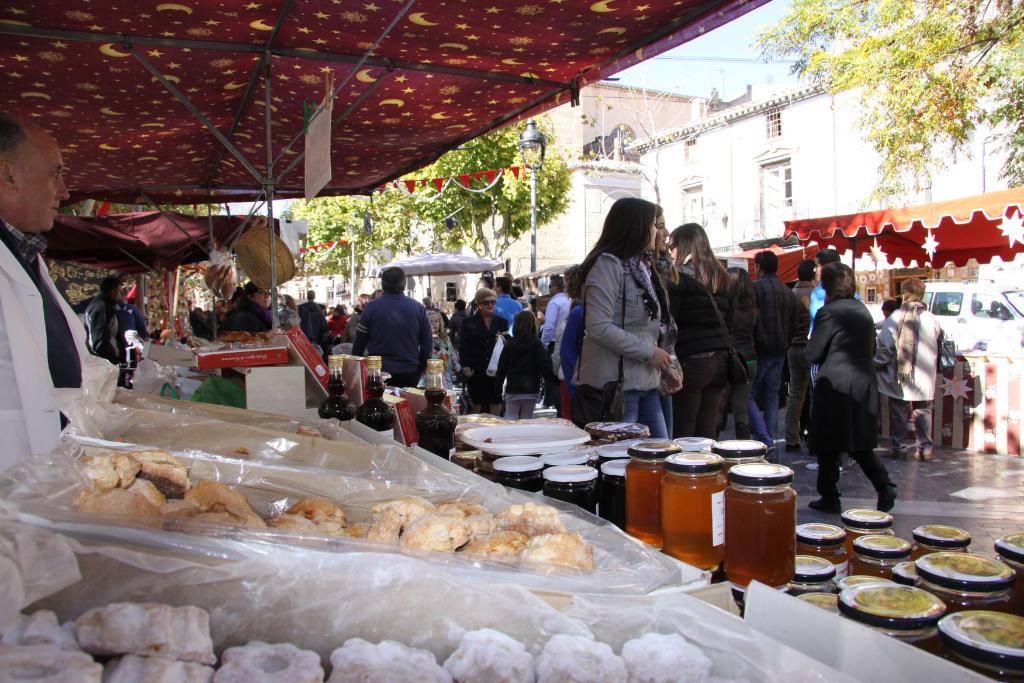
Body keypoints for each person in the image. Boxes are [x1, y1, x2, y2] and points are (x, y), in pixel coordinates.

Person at [0, 111, 86, 469]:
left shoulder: (25, 254)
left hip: (42, 481)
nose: (65, 191)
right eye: (56, 172)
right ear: (7, 175)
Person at [575, 197, 675, 438]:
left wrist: (666, 366)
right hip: (616, 388)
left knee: (659, 455)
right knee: (622, 465)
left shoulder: (641, 268)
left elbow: (649, 328)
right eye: (654, 224)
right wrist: (650, 354)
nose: (658, 231)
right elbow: (598, 326)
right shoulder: (608, 264)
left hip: (645, 383)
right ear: (637, 226)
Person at [807, 263, 897, 513]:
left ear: (826, 285)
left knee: (828, 442)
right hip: (863, 382)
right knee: (858, 443)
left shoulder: (830, 312)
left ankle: (830, 495)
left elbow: (814, 352)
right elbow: (871, 349)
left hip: (836, 384)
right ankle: (883, 485)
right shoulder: (862, 310)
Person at [667, 223, 733, 439]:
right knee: (707, 433)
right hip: (720, 360)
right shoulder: (722, 276)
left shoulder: (678, 277)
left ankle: (686, 472)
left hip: (691, 360)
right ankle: (708, 471)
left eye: (672, 246)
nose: (670, 251)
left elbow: (670, 320)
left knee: (683, 434)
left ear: (682, 246)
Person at [875, 278, 943, 461]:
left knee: (899, 409)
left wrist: (876, 364)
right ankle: (925, 448)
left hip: (900, 373)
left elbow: (886, 346)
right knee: (924, 409)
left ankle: (900, 447)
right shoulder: (931, 319)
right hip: (925, 373)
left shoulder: (895, 317)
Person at [747, 250, 796, 452]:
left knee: (748, 395)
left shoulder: (755, 289)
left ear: (759, 267)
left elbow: (751, 321)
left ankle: (764, 438)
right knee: (772, 397)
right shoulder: (787, 292)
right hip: (780, 350)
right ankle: (768, 438)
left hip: (761, 350)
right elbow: (793, 323)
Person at [352, 267, 432, 388]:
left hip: (378, 373)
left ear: (382, 284)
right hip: (409, 371)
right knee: (407, 406)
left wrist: (356, 369)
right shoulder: (418, 308)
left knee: (379, 406)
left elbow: (359, 344)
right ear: (404, 284)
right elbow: (427, 344)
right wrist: (420, 369)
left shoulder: (371, 308)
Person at [724, 267, 766, 440]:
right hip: (749, 361)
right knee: (741, 406)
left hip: (729, 360)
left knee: (720, 405)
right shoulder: (754, 310)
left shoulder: (725, 308)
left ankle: (712, 447)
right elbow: (762, 337)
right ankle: (745, 448)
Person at [495, 310, 559, 419]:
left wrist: (497, 389)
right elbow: (544, 365)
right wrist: (554, 381)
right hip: (531, 389)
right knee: (527, 419)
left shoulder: (509, 345)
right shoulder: (537, 344)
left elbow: (501, 368)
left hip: (513, 389)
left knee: (510, 418)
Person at [459, 287, 509, 414]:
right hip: (476, 370)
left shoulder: (502, 322)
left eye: (493, 302)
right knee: (476, 403)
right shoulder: (468, 322)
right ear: (479, 304)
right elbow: (463, 346)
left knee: (496, 401)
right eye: (487, 302)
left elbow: (508, 345)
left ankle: (495, 431)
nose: (491, 304)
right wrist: (465, 366)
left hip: (496, 370)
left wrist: (505, 341)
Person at [784, 259, 816, 451]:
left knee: (796, 394)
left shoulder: (791, 295)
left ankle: (791, 438)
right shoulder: (818, 295)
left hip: (794, 348)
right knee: (816, 395)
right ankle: (814, 436)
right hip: (813, 348)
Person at [539, 273, 571, 417]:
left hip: (554, 344)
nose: (549, 289)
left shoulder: (554, 303)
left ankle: (561, 411)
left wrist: (544, 345)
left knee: (554, 380)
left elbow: (549, 326)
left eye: (550, 286)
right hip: (568, 343)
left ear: (556, 287)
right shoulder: (569, 301)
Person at [556, 265, 584, 419]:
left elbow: (563, 348)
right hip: (574, 378)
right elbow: (565, 349)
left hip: (573, 377)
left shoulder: (576, 310)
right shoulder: (577, 311)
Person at [85, 276, 123, 365]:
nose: (120, 296)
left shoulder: (103, 305)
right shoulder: (102, 307)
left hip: (104, 359)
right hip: (104, 361)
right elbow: (100, 337)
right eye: (119, 292)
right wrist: (110, 358)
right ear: (113, 291)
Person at [424, 308, 460, 390]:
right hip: (430, 376)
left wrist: (458, 368)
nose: (434, 324)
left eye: (436, 321)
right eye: (431, 322)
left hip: (445, 374)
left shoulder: (445, 338)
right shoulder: (424, 339)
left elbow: (452, 353)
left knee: (447, 397)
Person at [808, 248, 841, 336]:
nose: (814, 270)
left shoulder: (819, 292)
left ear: (827, 267)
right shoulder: (851, 289)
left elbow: (816, 327)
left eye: (817, 265)